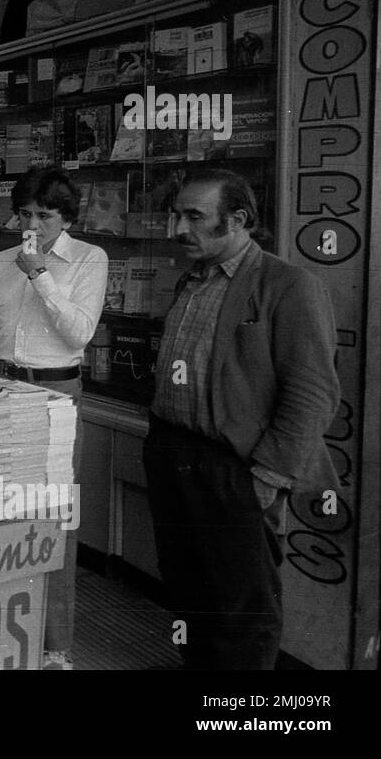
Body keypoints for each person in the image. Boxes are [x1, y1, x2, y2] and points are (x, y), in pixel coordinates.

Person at [145, 169, 339, 670]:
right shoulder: (192, 278)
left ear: (238, 219)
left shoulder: (288, 285)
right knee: (188, 588)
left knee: (240, 607)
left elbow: (313, 393)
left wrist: (267, 479)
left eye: (194, 217)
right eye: (176, 215)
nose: (178, 228)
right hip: (173, 454)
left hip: (233, 466)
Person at [0, 168, 108, 671]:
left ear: (66, 218)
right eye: (25, 214)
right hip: (2, 388)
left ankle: (55, 646)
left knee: (55, 518)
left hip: (55, 392)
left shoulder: (89, 259)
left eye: (44, 216)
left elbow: (79, 334)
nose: (33, 225)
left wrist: (39, 275)